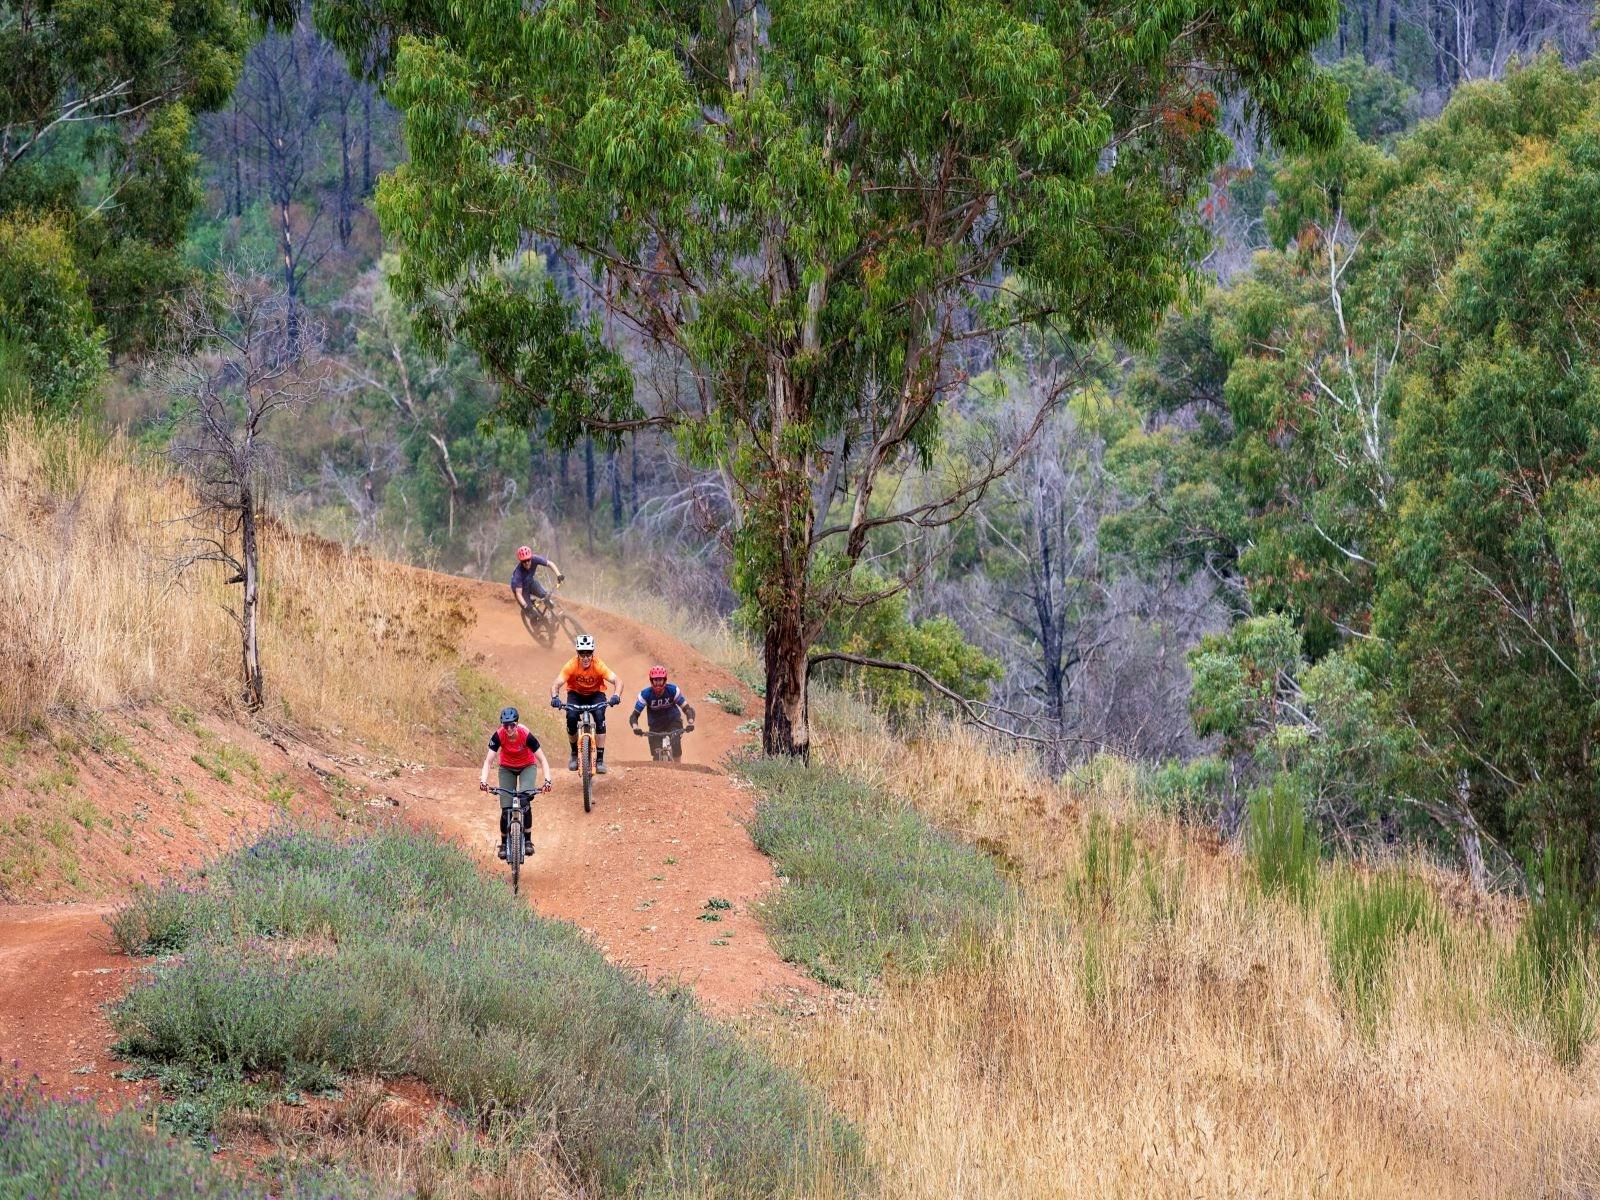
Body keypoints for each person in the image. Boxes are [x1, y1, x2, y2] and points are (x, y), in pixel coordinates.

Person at [478, 706, 552, 860]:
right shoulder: (498, 736)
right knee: (506, 808)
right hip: (506, 768)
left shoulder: (526, 735)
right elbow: (488, 761)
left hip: (527, 766)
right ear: (502, 725)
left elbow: (543, 760)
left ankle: (528, 841)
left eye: (512, 724)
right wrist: (483, 780)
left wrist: (547, 780)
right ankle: (504, 844)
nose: (509, 728)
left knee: (524, 800)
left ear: (517, 723)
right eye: (506, 725)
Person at [549, 634, 621, 773]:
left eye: (589, 653)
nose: (586, 657)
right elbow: (556, 684)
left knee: (600, 717)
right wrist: (555, 697)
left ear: (592, 653)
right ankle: (574, 754)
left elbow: (618, 681)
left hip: (596, 694)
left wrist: (616, 695)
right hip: (575, 694)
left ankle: (599, 759)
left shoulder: (598, 665)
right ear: (578, 654)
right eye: (582, 654)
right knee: (570, 718)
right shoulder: (571, 665)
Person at [629, 665, 696, 761]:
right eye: (655, 680)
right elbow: (634, 715)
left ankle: (679, 769)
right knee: (656, 756)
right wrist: (635, 727)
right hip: (655, 725)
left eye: (660, 680)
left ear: (665, 680)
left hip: (673, 721)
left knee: (676, 743)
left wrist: (690, 722)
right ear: (651, 681)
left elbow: (687, 709)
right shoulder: (645, 694)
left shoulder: (673, 690)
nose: (658, 683)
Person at [510, 545, 563, 613]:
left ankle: (554, 615)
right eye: (524, 561)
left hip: (530, 582)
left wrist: (559, 575)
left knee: (545, 597)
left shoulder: (534, 559)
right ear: (521, 561)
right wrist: (525, 605)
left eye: (528, 560)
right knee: (532, 615)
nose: (527, 563)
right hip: (521, 590)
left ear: (531, 558)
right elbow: (518, 593)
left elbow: (550, 564)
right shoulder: (518, 574)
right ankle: (534, 616)